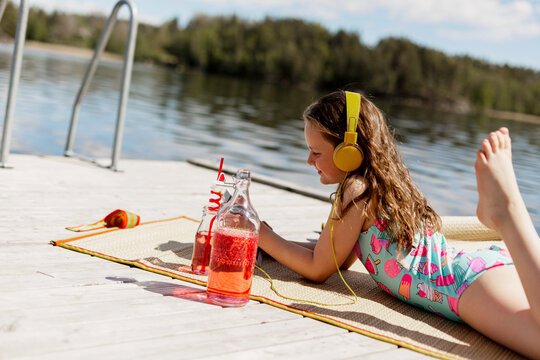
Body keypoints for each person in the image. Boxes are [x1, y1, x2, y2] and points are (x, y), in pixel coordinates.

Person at [257, 90, 540, 358]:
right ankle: (506, 216)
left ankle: (507, 213)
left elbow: (317, 268)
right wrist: (272, 241)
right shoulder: (375, 185)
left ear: (348, 151)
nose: (308, 160)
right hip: (478, 267)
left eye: (316, 152)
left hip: (460, 285)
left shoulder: (355, 190)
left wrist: (259, 233)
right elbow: (335, 258)